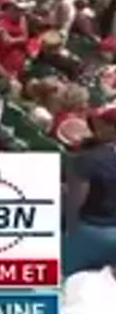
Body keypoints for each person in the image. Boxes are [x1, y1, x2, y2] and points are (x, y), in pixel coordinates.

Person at [63, 104, 116, 276]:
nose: (95, 128)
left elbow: (75, 201)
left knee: (68, 281)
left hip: (92, 231)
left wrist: (69, 228)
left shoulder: (90, 159)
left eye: (101, 124)